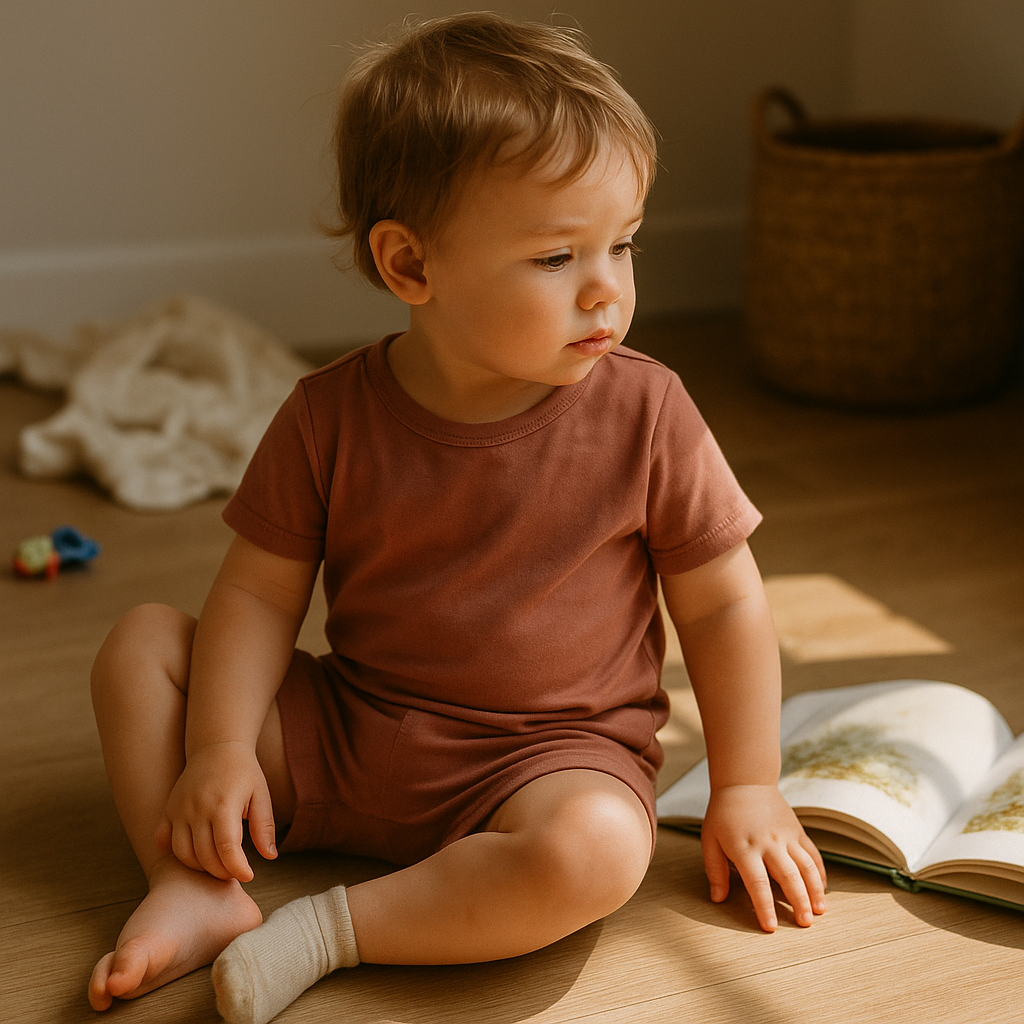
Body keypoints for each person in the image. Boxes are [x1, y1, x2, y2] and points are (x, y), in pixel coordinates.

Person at [87, 12, 827, 1023]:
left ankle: (334, 927)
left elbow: (725, 609)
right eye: (557, 257)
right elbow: (257, 597)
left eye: (622, 243)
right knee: (141, 649)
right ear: (411, 268)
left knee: (606, 847)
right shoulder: (327, 415)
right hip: (349, 736)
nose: (608, 287)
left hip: (543, 765)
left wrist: (746, 783)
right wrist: (219, 748)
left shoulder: (646, 410)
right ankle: (192, 884)